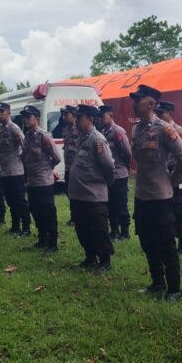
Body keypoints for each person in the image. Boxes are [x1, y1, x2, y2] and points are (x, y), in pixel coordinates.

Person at [129, 84, 182, 301]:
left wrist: (173, 182)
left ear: (150, 104)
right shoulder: (136, 129)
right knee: (147, 242)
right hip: (142, 196)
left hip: (161, 197)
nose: (134, 104)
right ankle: (157, 282)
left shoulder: (165, 129)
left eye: (138, 101)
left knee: (166, 244)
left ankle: (174, 289)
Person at [69, 104, 116, 270]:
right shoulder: (82, 138)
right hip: (79, 194)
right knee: (82, 229)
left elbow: (108, 165)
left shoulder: (98, 139)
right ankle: (90, 257)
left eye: (79, 118)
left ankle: (105, 261)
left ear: (89, 119)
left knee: (98, 230)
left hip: (93, 195)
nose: (76, 122)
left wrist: (106, 183)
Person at [154, 100, 182, 254]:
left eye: (161, 114)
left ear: (170, 114)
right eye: (157, 113)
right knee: (165, 209)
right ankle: (167, 239)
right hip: (163, 176)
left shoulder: (178, 131)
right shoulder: (158, 130)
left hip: (177, 176)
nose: (158, 116)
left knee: (179, 209)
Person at [21, 105, 62, 252]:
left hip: (44, 181)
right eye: (24, 117)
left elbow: (56, 158)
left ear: (36, 118)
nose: (26, 119)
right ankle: (42, 238)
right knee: (35, 211)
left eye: (29, 117)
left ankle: (53, 243)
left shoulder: (44, 136)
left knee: (48, 212)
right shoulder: (27, 136)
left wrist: (47, 168)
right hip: (32, 181)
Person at [0, 102, 31, 237]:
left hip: (16, 171)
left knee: (20, 201)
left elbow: (24, 145)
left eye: (2, 112)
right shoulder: (2, 129)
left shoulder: (14, 128)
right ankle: (15, 226)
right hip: (5, 171)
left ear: (9, 113)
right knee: (10, 200)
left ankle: (26, 228)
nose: (0, 114)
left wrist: (22, 161)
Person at [100, 105, 131, 241]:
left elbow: (127, 152)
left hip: (119, 174)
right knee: (110, 204)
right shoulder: (102, 132)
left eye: (103, 117)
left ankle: (125, 232)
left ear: (111, 116)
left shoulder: (118, 131)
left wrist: (125, 167)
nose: (101, 120)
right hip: (108, 175)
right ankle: (114, 230)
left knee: (121, 204)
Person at [61, 105, 80, 226]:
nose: (64, 117)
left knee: (77, 193)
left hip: (77, 167)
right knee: (69, 192)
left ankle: (78, 217)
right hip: (68, 166)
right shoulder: (66, 129)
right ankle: (74, 217)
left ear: (74, 115)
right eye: (63, 115)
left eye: (66, 115)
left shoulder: (79, 128)